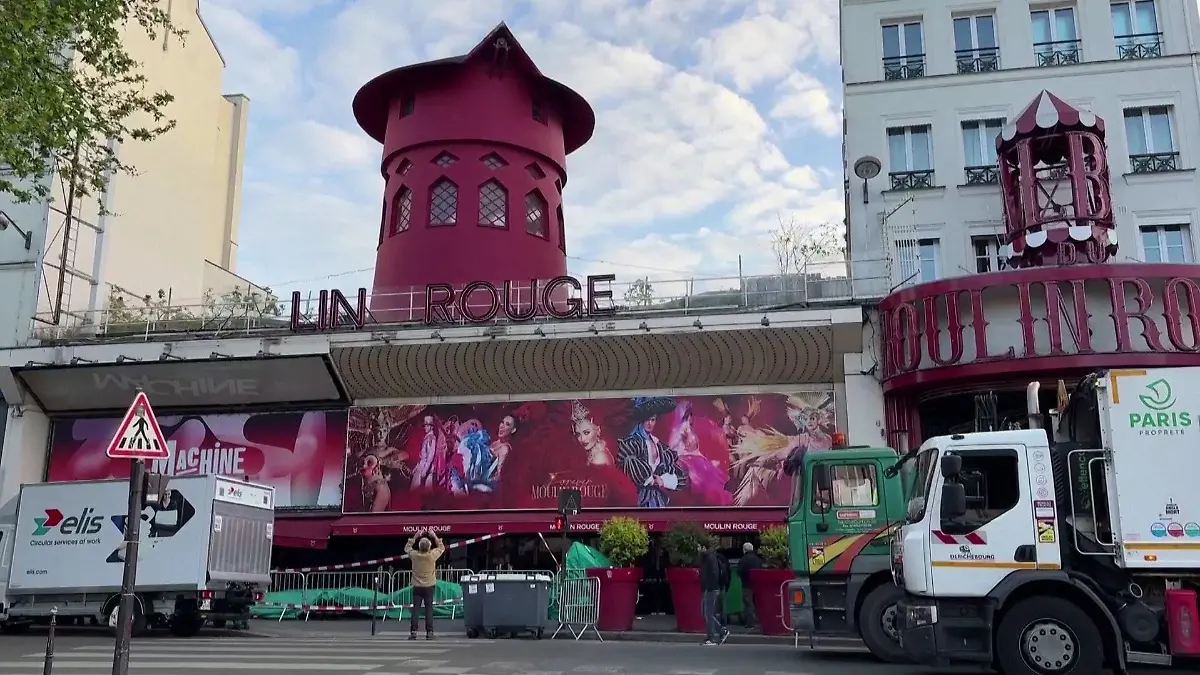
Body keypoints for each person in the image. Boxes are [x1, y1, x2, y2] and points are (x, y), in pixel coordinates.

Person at [404, 529, 445, 640]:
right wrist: (434, 535)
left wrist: (415, 536)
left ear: (419, 546)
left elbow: (407, 548)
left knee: (416, 609)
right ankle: (429, 632)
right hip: (429, 586)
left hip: (417, 586)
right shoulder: (432, 555)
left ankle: (413, 632)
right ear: (429, 547)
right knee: (429, 609)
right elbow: (441, 547)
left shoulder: (415, 555)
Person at [699, 540, 729, 645]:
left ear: (704, 547)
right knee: (706, 613)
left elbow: (713, 574)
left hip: (711, 588)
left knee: (708, 613)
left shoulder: (710, 558)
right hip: (709, 588)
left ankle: (713, 636)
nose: (698, 549)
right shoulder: (707, 557)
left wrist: (709, 587)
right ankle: (716, 633)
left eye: (699, 547)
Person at [737, 542, 763, 629]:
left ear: (744, 550)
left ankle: (750, 623)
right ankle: (759, 621)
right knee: (757, 603)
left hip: (746, 584)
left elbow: (739, 572)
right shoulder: (757, 559)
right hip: (757, 584)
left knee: (748, 604)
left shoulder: (743, 560)